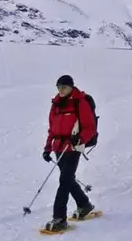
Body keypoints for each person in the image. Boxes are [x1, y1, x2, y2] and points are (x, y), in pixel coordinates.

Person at [41, 75, 98, 232]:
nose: (61, 90)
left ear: (71, 87)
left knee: (64, 179)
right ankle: (84, 204)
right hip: (58, 148)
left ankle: (59, 217)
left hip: (73, 147)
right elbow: (52, 130)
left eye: (64, 87)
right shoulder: (56, 104)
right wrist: (47, 149)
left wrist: (79, 139)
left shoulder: (80, 102)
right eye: (59, 87)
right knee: (68, 179)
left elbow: (90, 127)